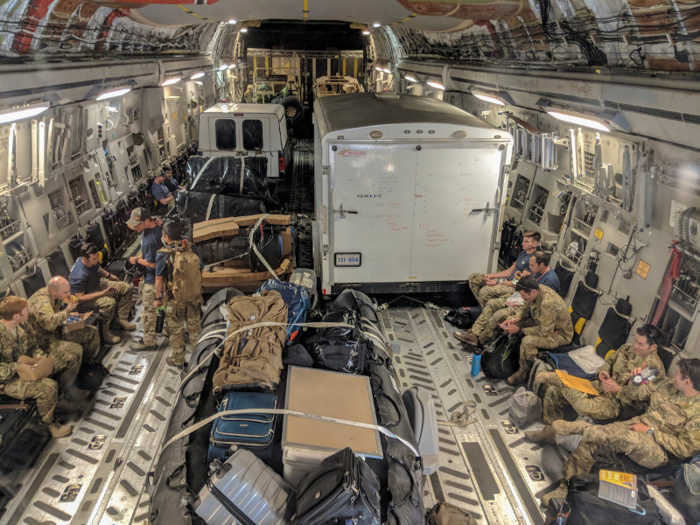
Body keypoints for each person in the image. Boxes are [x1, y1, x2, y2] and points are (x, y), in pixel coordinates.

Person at [541, 358, 700, 507]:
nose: (673, 375)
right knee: (593, 437)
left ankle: (581, 428)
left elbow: (684, 449)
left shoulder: (697, 414)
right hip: (638, 424)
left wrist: (650, 431)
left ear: (687, 381)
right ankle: (566, 486)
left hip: (658, 450)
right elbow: (635, 395)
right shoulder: (666, 384)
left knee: (604, 435)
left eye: (677, 374)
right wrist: (635, 381)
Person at [526, 324, 667, 444]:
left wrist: (618, 390)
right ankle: (550, 432)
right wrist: (602, 373)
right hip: (600, 387)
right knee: (553, 392)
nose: (635, 346)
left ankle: (561, 379)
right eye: (635, 341)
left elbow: (641, 401)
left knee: (582, 405)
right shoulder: (626, 349)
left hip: (617, 403)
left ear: (653, 347)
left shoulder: (652, 369)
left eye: (640, 344)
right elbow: (609, 363)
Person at [0, 297, 76, 437]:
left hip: (27, 367)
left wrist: (40, 359)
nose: (29, 310)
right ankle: (49, 424)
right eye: (25, 310)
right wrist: (17, 367)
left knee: (67, 359)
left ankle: (59, 399)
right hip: (6, 380)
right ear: (16, 316)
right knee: (47, 387)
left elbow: (33, 347)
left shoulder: (23, 326)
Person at [457, 251, 560, 347]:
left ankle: (480, 341)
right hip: (524, 300)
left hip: (531, 309)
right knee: (492, 303)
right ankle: (475, 334)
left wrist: (517, 314)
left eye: (532, 265)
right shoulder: (537, 271)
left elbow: (540, 306)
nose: (529, 267)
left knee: (499, 315)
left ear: (541, 264)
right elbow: (528, 286)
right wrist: (519, 279)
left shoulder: (550, 281)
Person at [496, 275, 573, 385]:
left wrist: (519, 330)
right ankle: (508, 357)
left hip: (559, 334)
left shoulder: (547, 303)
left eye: (523, 295)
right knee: (510, 321)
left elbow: (545, 331)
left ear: (532, 292)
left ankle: (524, 372)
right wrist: (514, 319)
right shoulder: (536, 290)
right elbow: (526, 310)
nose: (522, 298)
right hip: (542, 323)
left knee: (528, 341)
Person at [28, 276, 101, 381]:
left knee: (91, 332)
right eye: (65, 292)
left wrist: (69, 315)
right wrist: (67, 310)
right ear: (53, 292)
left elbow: (53, 315)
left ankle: (85, 368)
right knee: (76, 350)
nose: (69, 294)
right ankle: (66, 390)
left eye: (69, 291)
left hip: (55, 330)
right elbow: (49, 325)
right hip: (43, 340)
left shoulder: (55, 295)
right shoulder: (41, 302)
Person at [155, 221, 203, 367]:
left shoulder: (163, 254)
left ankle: (178, 359)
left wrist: (158, 299)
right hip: (194, 296)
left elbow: (159, 279)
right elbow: (201, 268)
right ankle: (198, 359)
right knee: (195, 328)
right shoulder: (192, 248)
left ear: (166, 236)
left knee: (176, 331)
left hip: (173, 299)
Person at [69, 244, 135, 345]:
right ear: (84, 259)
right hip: (84, 299)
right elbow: (80, 298)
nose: (97, 260)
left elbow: (97, 267)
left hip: (95, 284)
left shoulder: (90, 260)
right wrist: (103, 293)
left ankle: (120, 319)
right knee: (109, 302)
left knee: (126, 288)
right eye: (95, 258)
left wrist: (109, 275)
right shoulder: (79, 276)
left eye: (97, 257)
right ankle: (104, 333)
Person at [467, 230, 540, 307]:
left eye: (526, 242)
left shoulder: (533, 260)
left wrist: (497, 283)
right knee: (474, 278)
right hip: (505, 280)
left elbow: (518, 283)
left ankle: (487, 310)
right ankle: (483, 307)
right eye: (523, 240)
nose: (522, 243)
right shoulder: (523, 253)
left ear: (535, 244)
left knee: (485, 291)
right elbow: (509, 271)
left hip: (513, 287)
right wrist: (492, 276)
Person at [126, 207, 163, 351]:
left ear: (147, 221)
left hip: (153, 280)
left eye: (138, 224)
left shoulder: (150, 240)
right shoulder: (154, 226)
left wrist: (137, 261)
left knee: (148, 312)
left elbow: (154, 264)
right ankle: (162, 327)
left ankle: (149, 341)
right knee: (160, 307)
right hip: (158, 277)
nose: (135, 227)